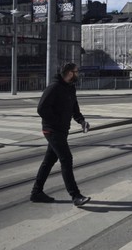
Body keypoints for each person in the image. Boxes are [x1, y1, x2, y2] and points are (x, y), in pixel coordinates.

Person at [30, 62, 91, 206]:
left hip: (62, 131)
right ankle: (75, 196)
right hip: (52, 130)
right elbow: (41, 109)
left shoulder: (70, 88)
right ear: (70, 73)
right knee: (66, 159)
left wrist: (81, 120)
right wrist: (56, 121)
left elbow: (74, 107)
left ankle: (36, 192)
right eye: (76, 71)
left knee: (49, 161)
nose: (78, 74)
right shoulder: (54, 87)